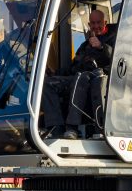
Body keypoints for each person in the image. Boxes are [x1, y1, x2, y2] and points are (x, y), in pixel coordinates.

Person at [42, 8, 115, 139]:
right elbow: (72, 67)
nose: (96, 26)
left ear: (105, 22)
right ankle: (55, 127)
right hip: (78, 78)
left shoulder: (114, 38)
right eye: (93, 23)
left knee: (81, 77)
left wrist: (102, 47)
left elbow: (118, 58)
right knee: (47, 84)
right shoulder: (84, 45)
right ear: (89, 25)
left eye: (99, 22)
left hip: (100, 80)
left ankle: (72, 128)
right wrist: (54, 73)